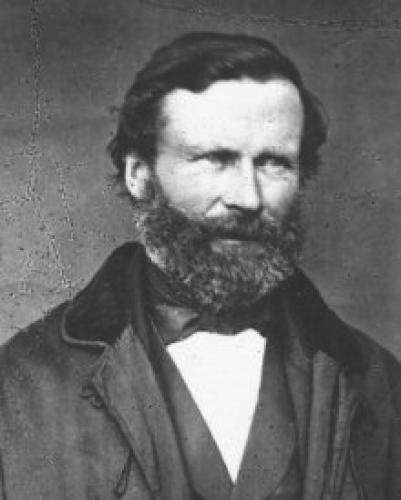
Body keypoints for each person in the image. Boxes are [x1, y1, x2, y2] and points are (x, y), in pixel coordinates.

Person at [0, 32, 400, 500]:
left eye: (274, 163)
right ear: (139, 174)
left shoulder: (381, 386)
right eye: (214, 159)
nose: (248, 198)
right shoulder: (19, 387)